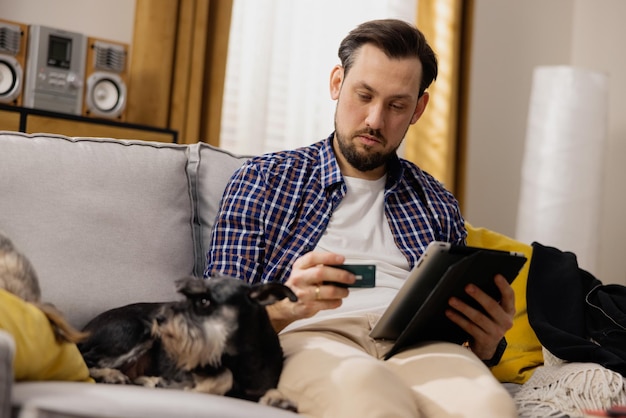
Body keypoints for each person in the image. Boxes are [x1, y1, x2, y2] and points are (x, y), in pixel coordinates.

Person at [205, 18, 517, 418]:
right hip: (313, 335)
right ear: (337, 83)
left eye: (396, 105)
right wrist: (288, 306)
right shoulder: (264, 180)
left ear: (418, 109)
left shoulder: (437, 202)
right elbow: (215, 320)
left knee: (491, 408)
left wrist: (488, 344)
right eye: (363, 95)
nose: (374, 119)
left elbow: (466, 334)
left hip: (419, 345)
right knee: (369, 400)